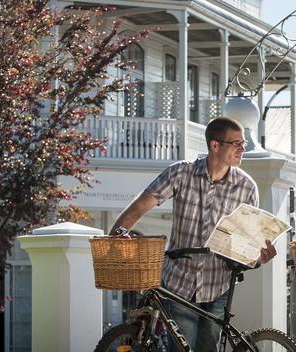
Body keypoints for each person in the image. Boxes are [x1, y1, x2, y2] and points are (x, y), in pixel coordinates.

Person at [108, 117, 278, 351]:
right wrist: (115, 235)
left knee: (208, 348)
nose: (242, 149)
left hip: (218, 283)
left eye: (244, 144)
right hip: (179, 281)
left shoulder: (247, 188)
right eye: (236, 143)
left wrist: (259, 257)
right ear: (215, 145)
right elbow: (140, 206)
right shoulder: (181, 173)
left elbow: (248, 241)